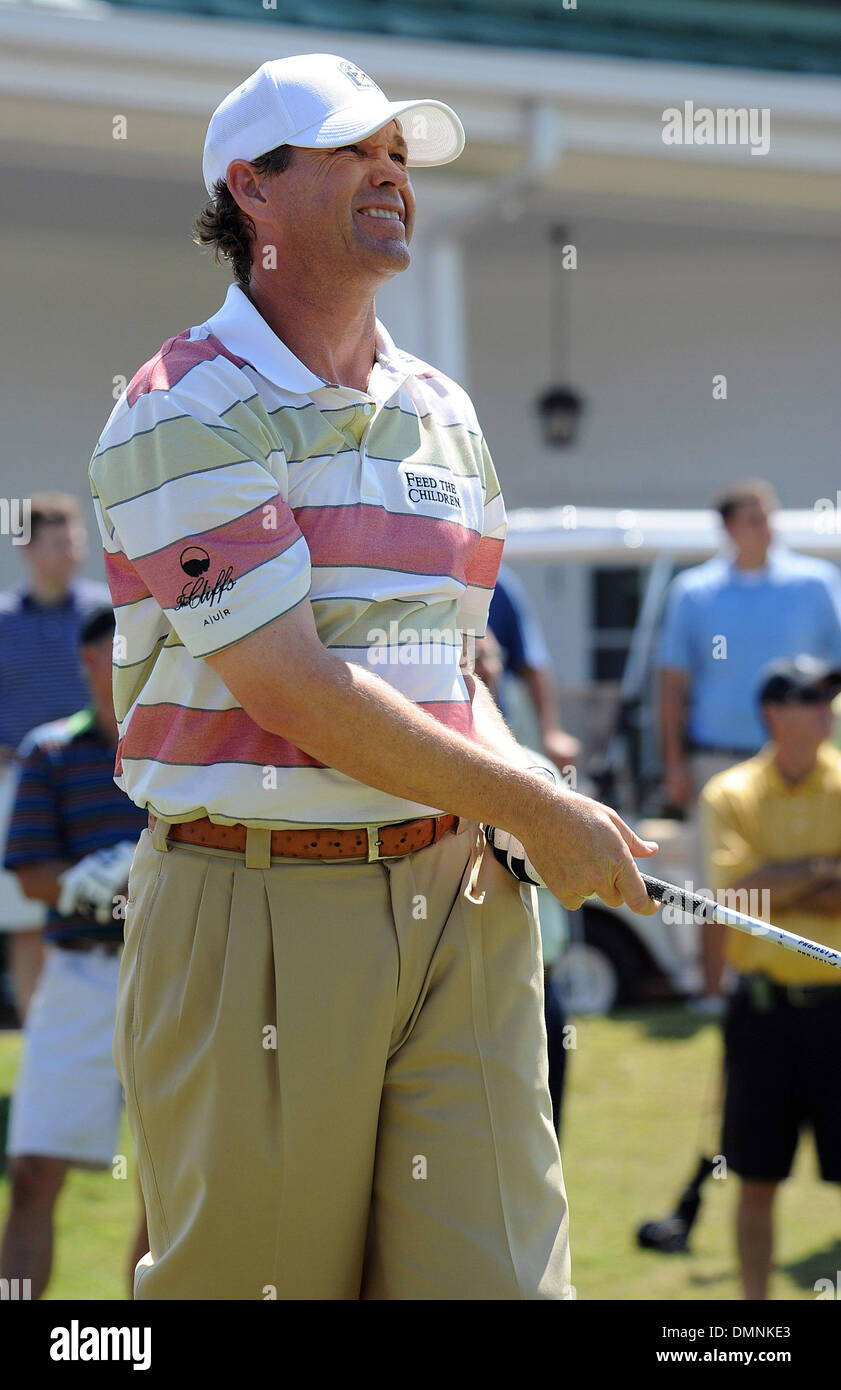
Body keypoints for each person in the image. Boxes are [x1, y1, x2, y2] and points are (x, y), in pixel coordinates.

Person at [88, 53, 658, 1301]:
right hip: (255, 905)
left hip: (461, 896)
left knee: (504, 1286)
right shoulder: (180, 406)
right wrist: (535, 810)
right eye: (352, 149)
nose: (390, 170)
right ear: (251, 187)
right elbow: (289, 685)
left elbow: (456, 669)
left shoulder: (442, 407)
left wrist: (530, 792)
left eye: (399, 151)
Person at [0, 606, 148, 1299]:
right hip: (80, 976)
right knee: (31, 1172)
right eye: (110, 654)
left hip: (173, 978)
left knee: (172, 1185)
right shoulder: (50, 750)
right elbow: (29, 869)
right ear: (88, 663)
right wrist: (93, 891)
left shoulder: (181, 756)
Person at [657, 479, 841, 1004]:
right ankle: (717, 995)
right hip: (719, 754)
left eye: (770, 515)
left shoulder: (816, 582)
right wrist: (673, 762)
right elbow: (673, 681)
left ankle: (809, 977)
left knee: (789, 874)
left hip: (808, 758)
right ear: (729, 528)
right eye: (754, 518)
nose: (767, 527)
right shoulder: (694, 590)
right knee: (721, 888)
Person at [700, 656, 841, 1300]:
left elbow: (759, 890)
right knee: (755, 1177)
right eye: (812, 700)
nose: (827, 711)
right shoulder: (729, 793)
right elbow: (734, 896)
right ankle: (754, 1325)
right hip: (762, 1014)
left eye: (829, 699)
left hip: (837, 1014)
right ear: (774, 715)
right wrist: (823, 870)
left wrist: (779, 880)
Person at [0, 494, 109, 1018]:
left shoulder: (102, 613)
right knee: (25, 916)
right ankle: (38, 1029)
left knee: (90, 893)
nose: (72, 552)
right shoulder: (3, 620)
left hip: (96, 778)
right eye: (59, 542)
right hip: (17, 779)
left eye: (75, 541)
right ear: (29, 549)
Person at [488, 564, 580, 774]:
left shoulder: (497, 580)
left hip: (497, 740)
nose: (487, 669)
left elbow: (531, 665)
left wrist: (551, 733)